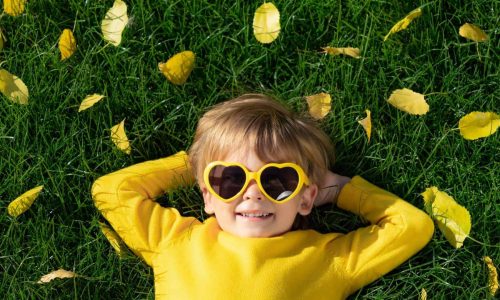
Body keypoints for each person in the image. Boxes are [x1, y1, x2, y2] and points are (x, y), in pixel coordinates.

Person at [92, 94, 434, 299]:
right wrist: (195, 163)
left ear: (306, 199)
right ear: (207, 197)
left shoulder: (327, 258)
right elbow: (111, 190)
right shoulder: (176, 241)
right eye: (230, 179)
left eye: (278, 180)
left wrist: (342, 189)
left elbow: (412, 226)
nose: (253, 193)